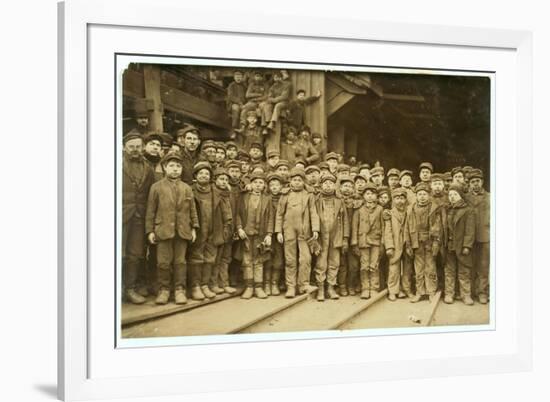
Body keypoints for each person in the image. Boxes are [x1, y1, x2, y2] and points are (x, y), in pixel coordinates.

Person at [145, 153, 199, 305]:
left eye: (178, 166)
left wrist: (194, 227)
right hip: (163, 230)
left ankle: (179, 290)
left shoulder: (187, 188)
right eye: (172, 166)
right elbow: (150, 211)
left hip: (182, 231)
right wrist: (150, 231)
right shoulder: (156, 187)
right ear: (165, 167)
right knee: (163, 262)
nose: (175, 169)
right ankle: (164, 290)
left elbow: (192, 210)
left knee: (180, 262)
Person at [188, 161, 233, 301]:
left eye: (206, 173)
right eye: (201, 173)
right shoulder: (190, 190)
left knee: (210, 258)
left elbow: (226, 212)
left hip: (213, 229)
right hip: (198, 229)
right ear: (195, 175)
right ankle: (195, 286)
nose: (204, 176)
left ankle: (205, 285)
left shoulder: (216, 192)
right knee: (196, 257)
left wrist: (225, 227)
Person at [275, 168, 320, 298]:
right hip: (288, 230)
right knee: (290, 260)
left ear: (303, 181)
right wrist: (278, 231)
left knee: (306, 258)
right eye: (294, 180)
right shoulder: (285, 195)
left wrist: (315, 229)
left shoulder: (308, 195)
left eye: (299, 180)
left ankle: (303, 284)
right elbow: (279, 214)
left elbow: (313, 212)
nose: (297, 182)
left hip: (304, 231)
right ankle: (291, 287)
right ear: (290, 181)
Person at [122, 131, 155, 304]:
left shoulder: (148, 167)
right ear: (123, 147)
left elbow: (150, 193)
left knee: (135, 254)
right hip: (119, 216)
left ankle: (130, 289)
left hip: (139, 216)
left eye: (138, 147)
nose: (135, 150)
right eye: (131, 147)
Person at [235, 172, 272, 299]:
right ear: (251, 184)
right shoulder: (243, 197)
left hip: (260, 235)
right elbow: (238, 214)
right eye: (255, 182)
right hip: (246, 234)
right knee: (247, 260)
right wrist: (239, 228)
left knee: (259, 261)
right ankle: (249, 287)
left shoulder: (267, 199)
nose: (258, 185)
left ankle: (258, 287)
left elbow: (271, 218)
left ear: (264, 185)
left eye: (261, 183)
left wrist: (269, 234)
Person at [404, 182, 442, 303]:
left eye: (424, 194)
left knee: (430, 266)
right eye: (419, 194)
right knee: (418, 268)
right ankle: (420, 292)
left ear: (428, 195)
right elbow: (407, 228)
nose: (422, 196)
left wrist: (436, 243)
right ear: (416, 195)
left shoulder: (434, 208)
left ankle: (431, 291)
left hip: (430, 242)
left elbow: (437, 227)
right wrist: (408, 244)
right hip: (416, 242)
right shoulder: (411, 209)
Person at [314, 173, 349, 301]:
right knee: (321, 262)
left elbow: (345, 221)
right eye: (325, 183)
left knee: (334, 262)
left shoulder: (340, 201)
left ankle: (331, 287)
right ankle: (321, 288)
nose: (328, 186)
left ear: (335, 186)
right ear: (321, 185)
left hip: (336, 236)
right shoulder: (316, 200)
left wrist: (345, 238)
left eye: (331, 183)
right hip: (321, 236)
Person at [444, 184, 476, 305]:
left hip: (462, 246)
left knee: (464, 271)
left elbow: (470, 230)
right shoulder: (447, 209)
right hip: (449, 245)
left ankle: (465, 295)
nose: (452, 197)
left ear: (461, 196)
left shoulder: (468, 210)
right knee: (449, 270)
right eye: (450, 195)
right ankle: (449, 294)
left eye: (455, 195)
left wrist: (467, 246)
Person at [351, 183, 384, 299]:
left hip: (376, 240)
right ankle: (365, 288)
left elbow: (384, 227)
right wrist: (354, 243)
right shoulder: (358, 211)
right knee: (364, 266)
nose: (370, 196)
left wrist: (383, 243)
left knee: (374, 265)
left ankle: (374, 288)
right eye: (367, 194)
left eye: (372, 194)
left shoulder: (380, 209)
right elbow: (354, 228)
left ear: (376, 196)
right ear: (364, 196)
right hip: (363, 241)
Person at [383, 188, 414, 300]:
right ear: (393, 200)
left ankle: (406, 289)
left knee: (407, 268)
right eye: (397, 198)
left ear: (406, 199)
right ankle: (393, 290)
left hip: (408, 244)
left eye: (402, 198)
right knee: (394, 268)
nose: (400, 201)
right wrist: (389, 247)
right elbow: (388, 231)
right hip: (395, 244)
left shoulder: (410, 212)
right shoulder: (389, 214)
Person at [210, 167, 237, 295]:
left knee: (226, 258)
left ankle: (224, 283)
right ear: (215, 180)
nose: (224, 181)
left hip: (228, 230)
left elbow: (234, 212)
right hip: (217, 230)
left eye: (226, 179)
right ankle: (213, 283)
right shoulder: (212, 193)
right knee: (216, 258)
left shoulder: (230, 194)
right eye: (221, 179)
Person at [465, 169, 490, 304]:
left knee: (483, 266)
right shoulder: (465, 197)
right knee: (469, 266)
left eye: (477, 181)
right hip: (469, 238)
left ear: (482, 182)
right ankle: (470, 293)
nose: (475, 184)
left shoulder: (490, 197)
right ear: (469, 183)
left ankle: (482, 293)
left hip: (485, 236)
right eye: (472, 182)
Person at [337, 175, 361, 296]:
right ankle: (342, 286)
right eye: (345, 186)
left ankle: (351, 284)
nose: (348, 189)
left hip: (354, 238)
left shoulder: (357, 203)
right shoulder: (336, 200)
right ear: (340, 187)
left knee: (354, 266)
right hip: (339, 237)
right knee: (341, 264)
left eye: (351, 186)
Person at [264, 173, 285, 296]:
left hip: (281, 234)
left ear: (281, 186)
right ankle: (267, 283)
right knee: (267, 258)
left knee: (279, 259)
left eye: (277, 185)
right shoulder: (265, 199)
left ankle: (274, 283)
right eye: (271, 185)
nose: (274, 187)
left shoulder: (284, 198)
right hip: (267, 233)